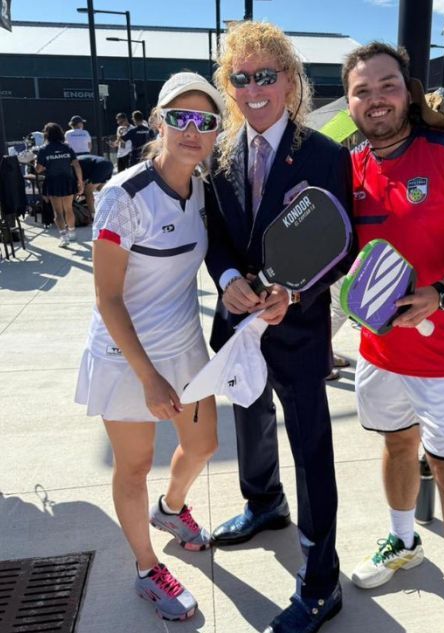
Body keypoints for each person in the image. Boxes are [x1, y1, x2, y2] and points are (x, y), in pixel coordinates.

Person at [340, 42, 444, 633]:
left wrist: (438, 294)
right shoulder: (353, 165)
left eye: (386, 85)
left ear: (407, 91)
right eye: (362, 90)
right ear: (351, 101)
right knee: (394, 447)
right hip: (380, 350)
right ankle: (404, 541)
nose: (375, 98)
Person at [202, 21, 351, 633]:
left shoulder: (325, 155)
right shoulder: (218, 155)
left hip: (298, 327)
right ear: (228, 87)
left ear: (291, 81)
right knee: (249, 417)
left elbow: (341, 243)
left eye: (268, 75)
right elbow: (214, 237)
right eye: (242, 77)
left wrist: (295, 292)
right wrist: (227, 276)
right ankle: (264, 504)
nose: (255, 87)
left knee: (311, 448)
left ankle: (321, 583)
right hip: (241, 323)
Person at [73, 71, 224, 622]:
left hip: (184, 348)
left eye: (204, 121)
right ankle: (145, 568)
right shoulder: (123, 194)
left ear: (213, 132)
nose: (192, 131)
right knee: (133, 466)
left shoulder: (203, 188)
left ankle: (171, 510)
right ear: (159, 122)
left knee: (203, 445)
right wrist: (148, 377)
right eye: (180, 118)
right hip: (125, 357)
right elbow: (107, 298)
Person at [34, 122, 83, 246]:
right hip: (68, 180)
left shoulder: (43, 150)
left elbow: (38, 169)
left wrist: (36, 161)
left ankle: (64, 237)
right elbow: (76, 164)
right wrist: (80, 182)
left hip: (53, 182)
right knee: (69, 209)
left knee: (58, 212)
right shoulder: (67, 147)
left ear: (46, 135)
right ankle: (72, 233)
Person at [77, 154, 115, 220]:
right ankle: (112, 208)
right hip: (107, 163)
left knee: (87, 191)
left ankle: (93, 215)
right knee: (102, 190)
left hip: (100, 166)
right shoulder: (77, 161)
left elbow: (79, 183)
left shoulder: (71, 165)